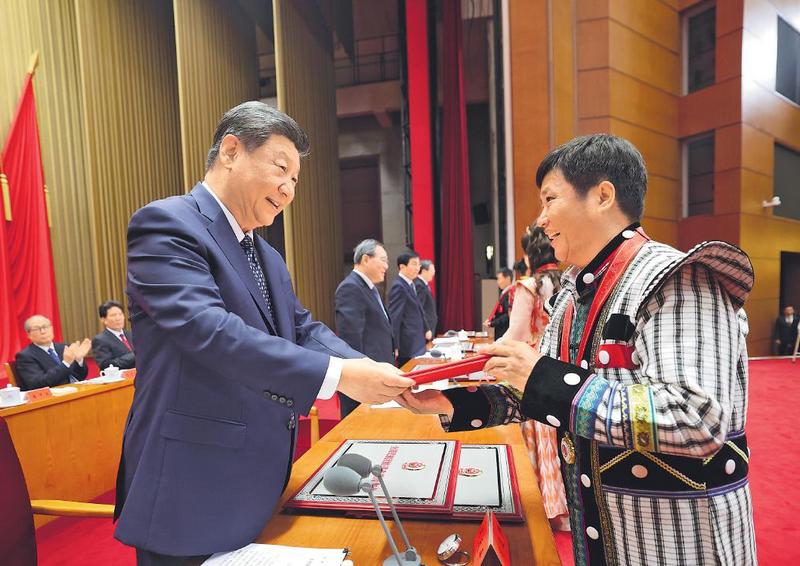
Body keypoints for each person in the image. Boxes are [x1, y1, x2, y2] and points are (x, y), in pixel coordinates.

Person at [399, 134, 756, 565]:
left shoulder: (676, 278)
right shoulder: (572, 296)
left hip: (677, 543)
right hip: (607, 533)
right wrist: (447, 402)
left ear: (603, 196)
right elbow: (536, 394)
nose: (541, 220)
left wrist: (541, 376)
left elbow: (694, 417)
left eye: (550, 199)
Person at [113, 101, 414, 564]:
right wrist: (339, 376)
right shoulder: (167, 224)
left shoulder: (266, 255)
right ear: (231, 151)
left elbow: (301, 327)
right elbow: (211, 331)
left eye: (296, 179)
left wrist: (366, 368)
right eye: (280, 168)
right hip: (190, 485)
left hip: (258, 478)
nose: (288, 189)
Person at [499, 225, 569, 531]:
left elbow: (516, 334)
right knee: (557, 435)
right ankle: (563, 509)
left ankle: (539, 508)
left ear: (530, 255)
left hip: (531, 365)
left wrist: (488, 353)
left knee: (536, 434)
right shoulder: (566, 281)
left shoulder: (528, 286)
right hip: (560, 364)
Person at [334, 239, 397, 418]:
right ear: (366, 259)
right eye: (383, 260)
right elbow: (351, 340)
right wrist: (362, 379)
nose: (386, 266)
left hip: (377, 375)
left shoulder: (368, 288)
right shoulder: (350, 288)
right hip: (364, 382)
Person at [14, 315, 90, 391]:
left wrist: (79, 360)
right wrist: (66, 364)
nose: (43, 331)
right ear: (28, 334)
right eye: (37, 329)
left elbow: (80, 376)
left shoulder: (65, 348)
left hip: (78, 390)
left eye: (45, 327)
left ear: (51, 328)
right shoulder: (25, 356)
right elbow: (37, 383)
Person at [388, 251, 428, 366]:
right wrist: (395, 345)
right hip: (408, 346)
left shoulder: (410, 284)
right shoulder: (399, 286)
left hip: (417, 342)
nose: (418, 268)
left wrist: (426, 328)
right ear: (402, 267)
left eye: (419, 264)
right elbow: (395, 318)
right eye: (414, 264)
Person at [92, 300, 136, 371]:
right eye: (113, 315)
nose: (118, 318)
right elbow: (105, 365)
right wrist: (135, 355)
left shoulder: (131, 334)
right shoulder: (100, 339)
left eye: (120, 314)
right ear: (103, 320)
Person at [484, 267, 514, 339]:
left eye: (499, 279)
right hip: (501, 331)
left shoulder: (510, 294)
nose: (498, 282)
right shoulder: (504, 293)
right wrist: (491, 320)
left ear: (508, 278)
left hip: (505, 332)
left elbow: (507, 315)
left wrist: (493, 323)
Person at [414, 259, 437, 338]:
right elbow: (420, 308)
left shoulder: (424, 285)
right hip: (425, 329)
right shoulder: (419, 285)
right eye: (432, 270)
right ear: (424, 271)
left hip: (430, 327)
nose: (434, 273)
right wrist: (426, 328)